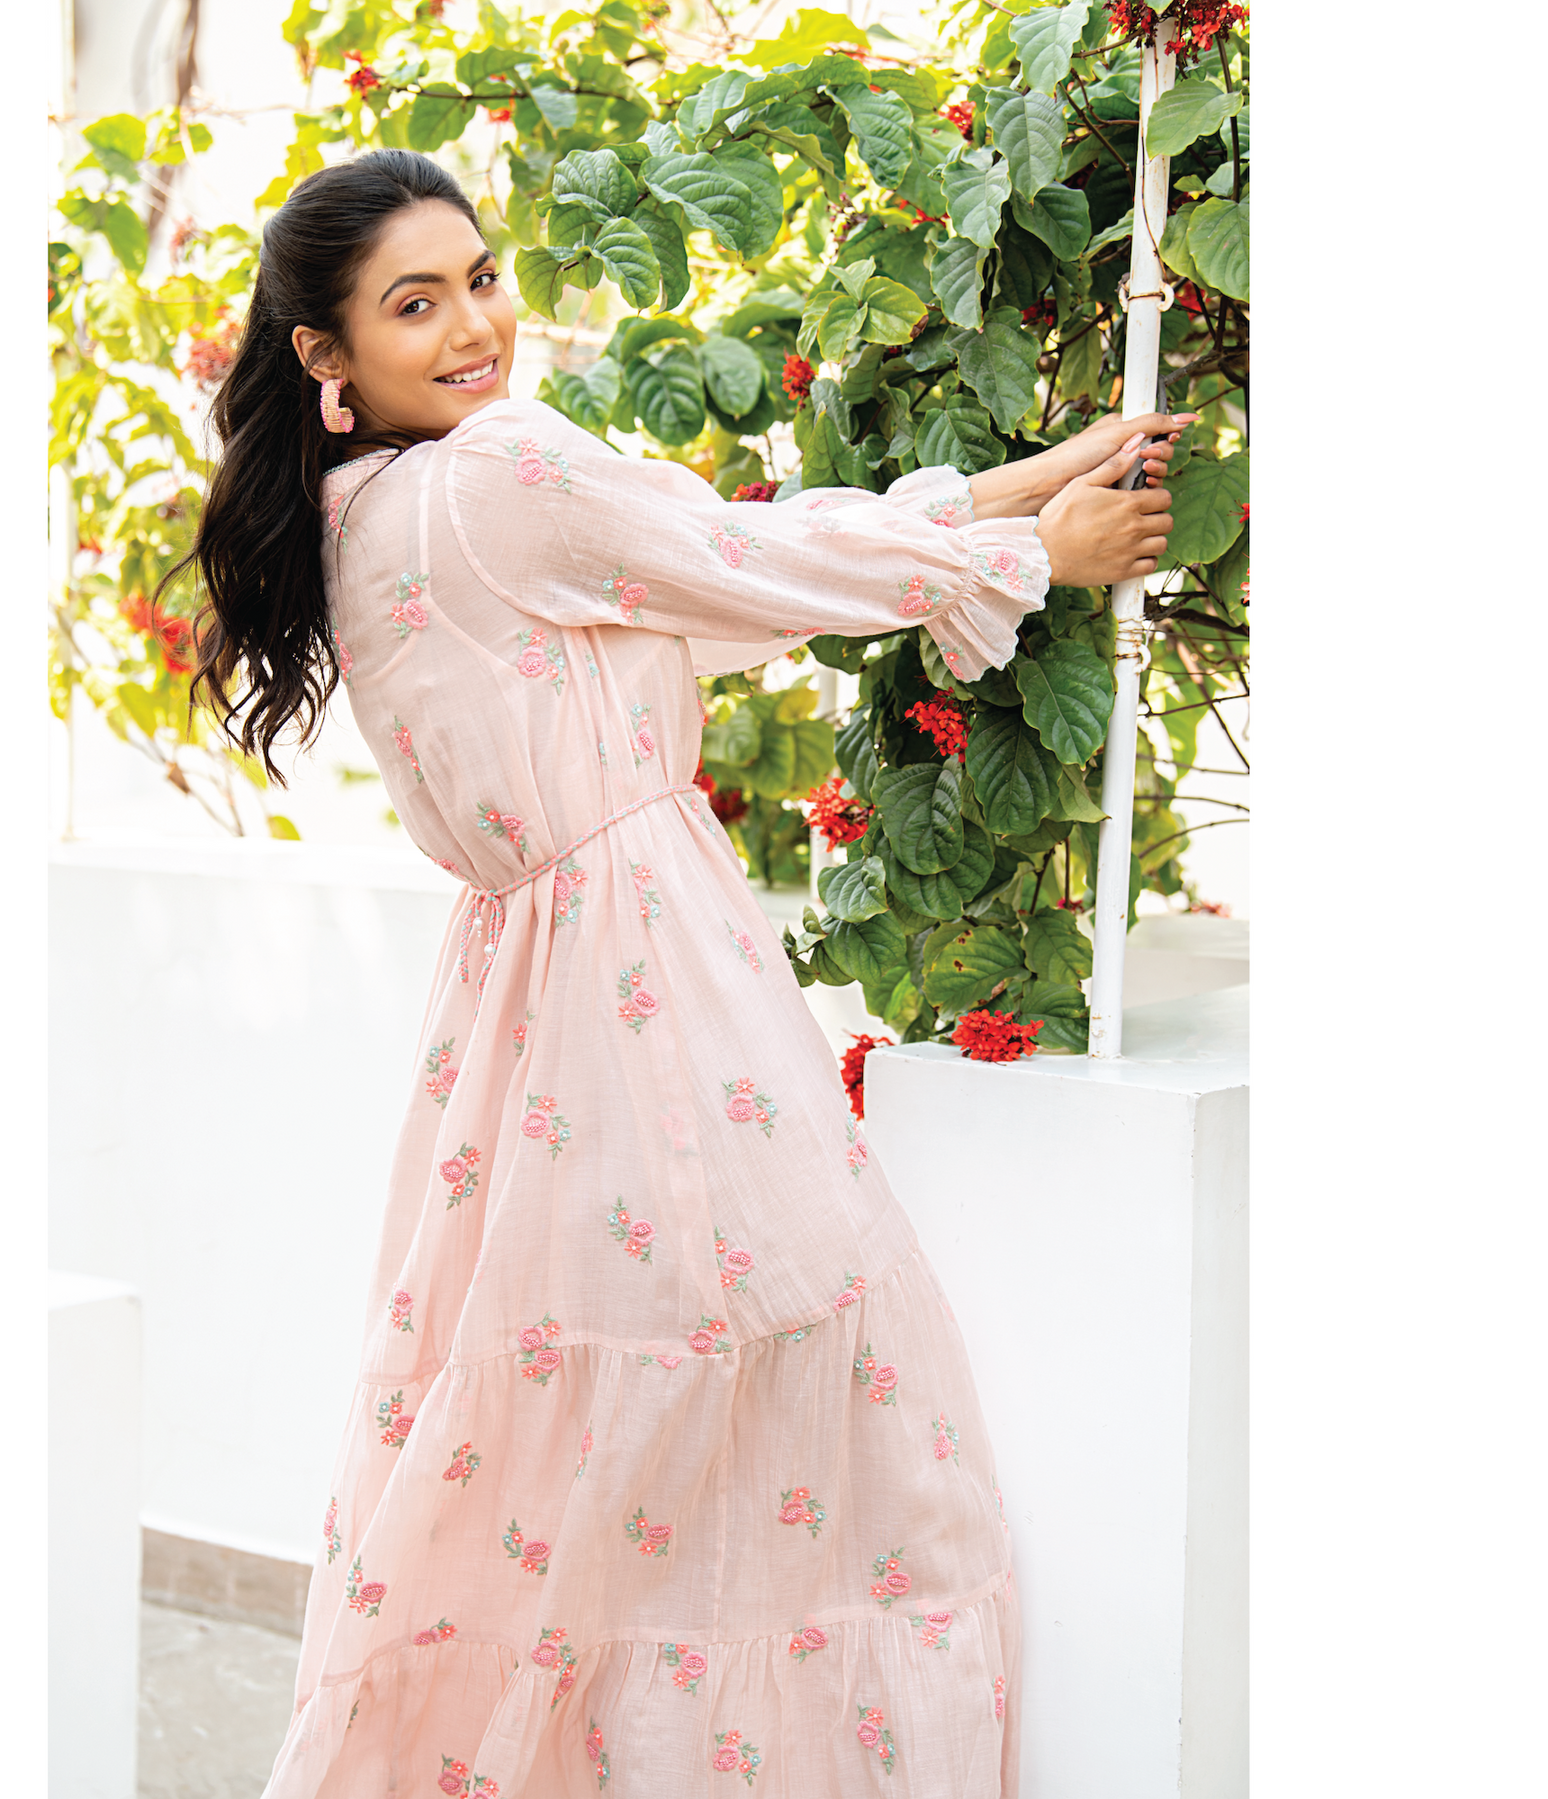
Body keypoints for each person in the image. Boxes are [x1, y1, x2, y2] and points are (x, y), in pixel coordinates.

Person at [181, 148, 1188, 1799]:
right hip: (651, 976)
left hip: (523, 1024)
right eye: (414, 305)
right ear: (325, 351)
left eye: (481, 279)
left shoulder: (368, 525)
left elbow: (701, 574)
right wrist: (1037, 555)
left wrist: (1015, 492)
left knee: (566, 1464)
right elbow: (737, 565)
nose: (473, 327)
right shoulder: (498, 473)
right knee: (836, 1409)